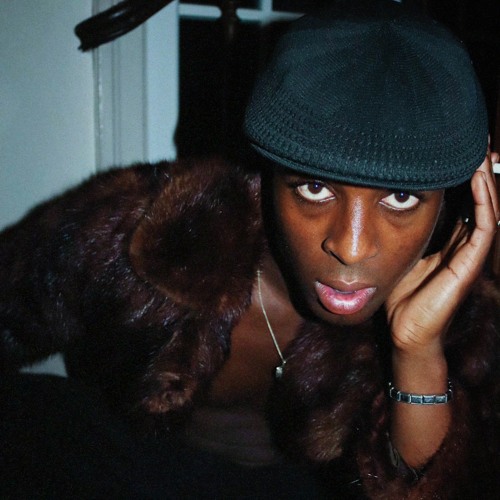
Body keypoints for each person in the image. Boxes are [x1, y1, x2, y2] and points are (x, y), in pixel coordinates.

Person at [1, 1, 499, 498]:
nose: (350, 248)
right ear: (268, 174)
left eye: (401, 198)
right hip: (128, 459)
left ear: (447, 202)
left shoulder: (456, 307)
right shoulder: (149, 232)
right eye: (314, 188)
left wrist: (418, 350)